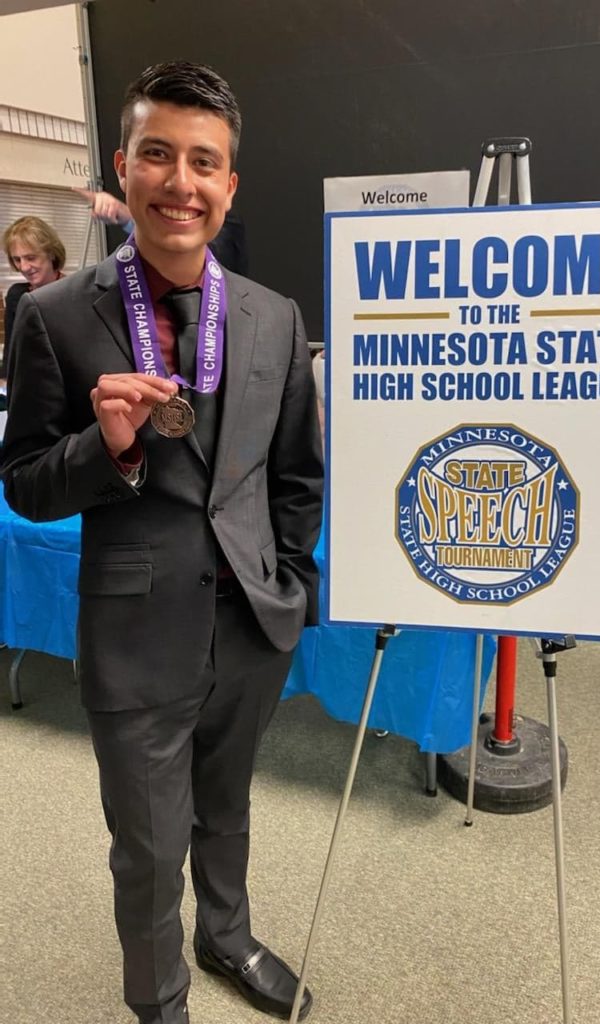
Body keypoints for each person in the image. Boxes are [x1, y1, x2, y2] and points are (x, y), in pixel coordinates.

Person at [1, 61, 323, 1024]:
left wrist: (292, 589)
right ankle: (161, 1003)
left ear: (230, 186)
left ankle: (226, 936)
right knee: (148, 843)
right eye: (158, 155)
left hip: (251, 626)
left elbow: (297, 473)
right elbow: (22, 481)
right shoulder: (53, 315)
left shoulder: (274, 318)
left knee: (227, 807)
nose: (180, 181)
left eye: (204, 162)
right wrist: (107, 451)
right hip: (137, 633)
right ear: (124, 166)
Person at [75, 185, 251, 276]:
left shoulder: (227, 224)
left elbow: (195, 254)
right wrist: (125, 215)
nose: (182, 185)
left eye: (201, 163)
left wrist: (128, 216)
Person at [1, 215, 66, 379]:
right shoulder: (17, 295)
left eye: (31, 258)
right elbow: (12, 349)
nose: (24, 267)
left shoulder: (74, 293)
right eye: (17, 259)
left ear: (51, 254)